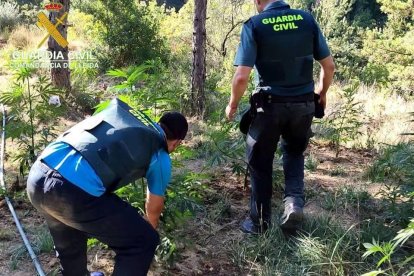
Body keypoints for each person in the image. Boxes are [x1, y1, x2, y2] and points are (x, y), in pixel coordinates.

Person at [27, 98, 188, 275]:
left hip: (38, 175)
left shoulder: (128, 120)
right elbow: (154, 207)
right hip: (71, 192)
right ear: (177, 142)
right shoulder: (159, 151)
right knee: (143, 241)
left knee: (69, 242)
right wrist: (143, 238)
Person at [226, 0, 335, 234]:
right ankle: (294, 203)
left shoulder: (255, 25)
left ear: (257, 1)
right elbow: (329, 66)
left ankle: (259, 223)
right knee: (294, 153)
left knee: (260, 160)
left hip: (269, 107)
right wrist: (322, 93)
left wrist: (232, 104)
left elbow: (241, 77)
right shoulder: (306, 20)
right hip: (304, 104)